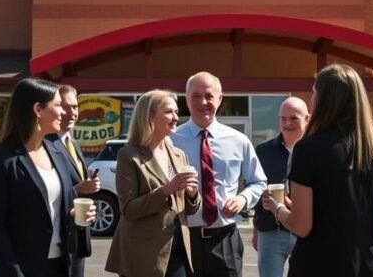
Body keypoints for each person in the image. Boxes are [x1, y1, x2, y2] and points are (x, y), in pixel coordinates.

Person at [261, 63, 373, 277]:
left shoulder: (307, 149)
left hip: (320, 266)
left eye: (314, 92)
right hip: (372, 267)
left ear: (324, 99)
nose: (312, 99)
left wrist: (278, 208)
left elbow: (301, 225)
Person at [0, 78, 95, 277]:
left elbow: (57, 208)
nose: (64, 112)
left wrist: (77, 214)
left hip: (59, 266)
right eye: (59, 105)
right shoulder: (0, 160)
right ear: (38, 110)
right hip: (19, 269)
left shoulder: (57, 154)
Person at [171, 72, 267, 277]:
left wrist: (242, 199)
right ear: (186, 99)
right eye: (195, 96)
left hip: (225, 240)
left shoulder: (238, 140)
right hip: (182, 240)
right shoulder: (171, 141)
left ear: (220, 98)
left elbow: (259, 181)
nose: (203, 102)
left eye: (209, 95)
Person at [105, 90, 200, 277]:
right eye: (168, 112)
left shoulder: (179, 154)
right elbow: (129, 210)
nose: (175, 117)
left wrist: (192, 194)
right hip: (143, 255)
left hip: (178, 248)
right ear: (148, 115)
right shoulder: (128, 155)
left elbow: (189, 209)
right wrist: (167, 190)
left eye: (176, 111)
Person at [46, 85, 100, 277]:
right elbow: (45, 190)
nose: (72, 113)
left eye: (75, 107)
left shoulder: (73, 143)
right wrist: (78, 189)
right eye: (65, 107)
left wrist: (87, 188)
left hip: (77, 237)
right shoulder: (45, 144)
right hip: (57, 240)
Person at [252, 97, 310, 277]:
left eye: (294, 118)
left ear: (307, 119)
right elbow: (256, 187)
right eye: (283, 118)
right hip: (271, 231)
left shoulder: (316, 151)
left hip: (306, 232)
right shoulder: (263, 150)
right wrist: (256, 231)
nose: (287, 123)